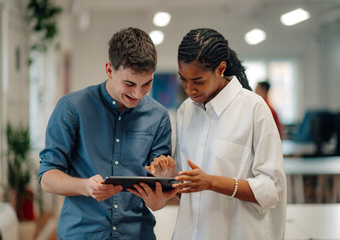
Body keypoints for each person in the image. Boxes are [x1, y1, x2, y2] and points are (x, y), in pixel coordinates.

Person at [146, 28, 287, 239]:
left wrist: (212, 182)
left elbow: (272, 189)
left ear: (221, 69)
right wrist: (169, 177)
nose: (189, 89)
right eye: (183, 80)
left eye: (198, 81)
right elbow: (188, 189)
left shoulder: (253, 108)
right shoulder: (186, 111)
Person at [38, 27, 177, 240]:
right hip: (81, 234)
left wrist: (162, 183)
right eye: (129, 83)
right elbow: (47, 178)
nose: (137, 94)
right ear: (109, 70)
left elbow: (157, 204)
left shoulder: (158, 117)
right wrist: (85, 186)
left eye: (146, 84)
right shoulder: (71, 108)